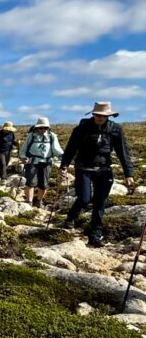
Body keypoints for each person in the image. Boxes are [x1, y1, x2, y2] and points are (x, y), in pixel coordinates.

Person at [59, 102, 136, 246]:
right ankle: (71, 216)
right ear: (93, 114)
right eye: (98, 115)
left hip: (104, 170)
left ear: (109, 116)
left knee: (100, 203)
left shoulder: (115, 130)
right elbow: (71, 148)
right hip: (84, 168)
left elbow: (123, 152)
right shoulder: (81, 129)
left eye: (104, 115)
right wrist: (64, 165)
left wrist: (128, 173)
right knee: (84, 198)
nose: (100, 118)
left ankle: (95, 235)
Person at [18, 117, 62, 207]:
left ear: (48, 128)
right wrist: (23, 157)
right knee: (30, 182)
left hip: (46, 162)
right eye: (40, 128)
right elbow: (24, 148)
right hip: (32, 161)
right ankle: (29, 202)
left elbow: (57, 149)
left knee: (43, 184)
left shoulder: (52, 136)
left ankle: (39, 201)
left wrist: (64, 157)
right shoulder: (31, 135)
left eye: (45, 128)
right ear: (36, 128)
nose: (43, 130)